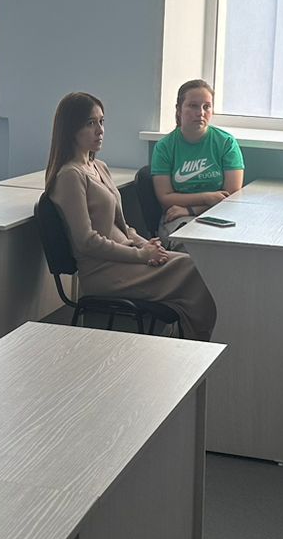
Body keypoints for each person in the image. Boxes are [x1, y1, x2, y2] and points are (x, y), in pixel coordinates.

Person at [45, 92, 217, 342]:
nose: (100, 130)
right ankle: (194, 344)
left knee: (196, 265)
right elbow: (86, 242)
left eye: (102, 121)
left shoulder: (99, 167)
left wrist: (146, 245)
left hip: (126, 259)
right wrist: (141, 255)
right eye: (90, 123)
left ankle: (187, 340)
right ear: (71, 129)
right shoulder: (70, 176)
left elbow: (122, 226)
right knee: (193, 270)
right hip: (103, 272)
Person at [150, 78, 244, 239]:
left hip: (219, 215)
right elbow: (165, 198)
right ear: (179, 109)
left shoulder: (226, 142)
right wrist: (207, 197)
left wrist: (191, 209)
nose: (200, 113)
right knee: (191, 243)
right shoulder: (164, 147)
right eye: (193, 106)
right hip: (177, 217)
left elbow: (231, 197)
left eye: (206, 106)